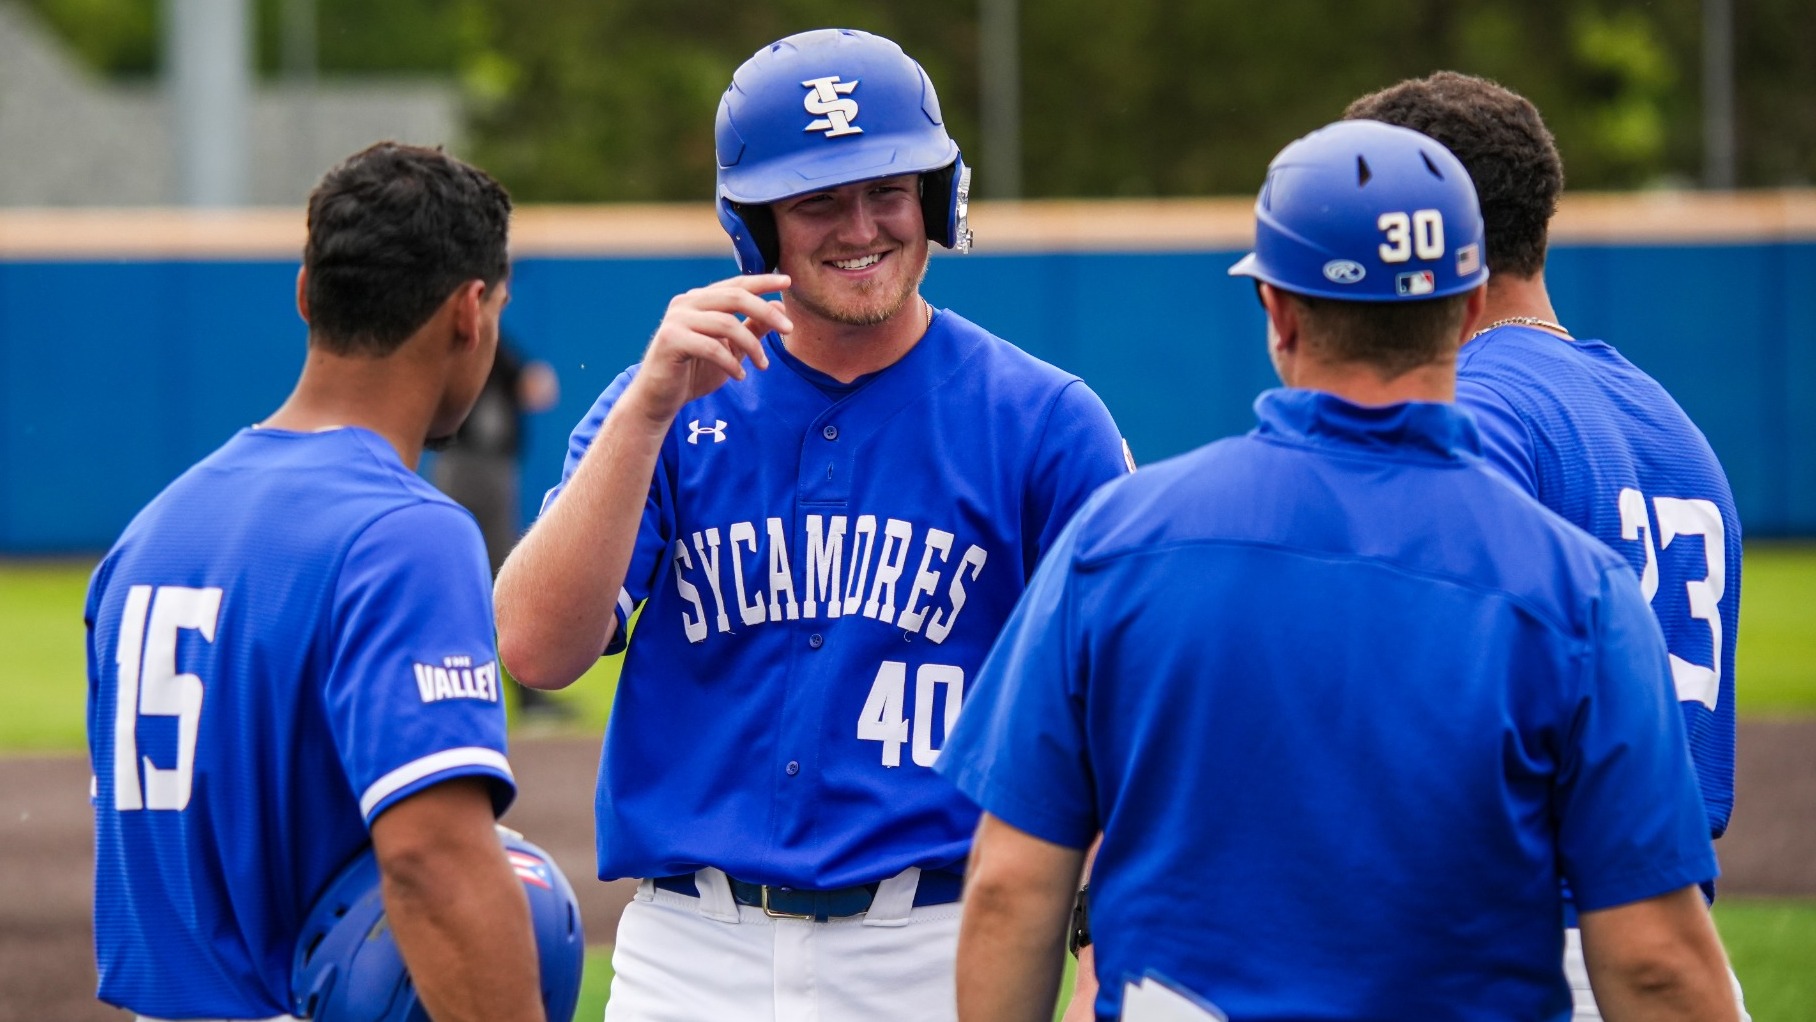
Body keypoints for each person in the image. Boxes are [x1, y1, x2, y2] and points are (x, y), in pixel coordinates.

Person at [938, 120, 1740, 1022]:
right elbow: (1657, 963)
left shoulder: (1116, 543)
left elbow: (1010, 887)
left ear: (1277, 311)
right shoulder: (1580, 591)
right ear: (1471, 309)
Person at [493, 27, 1130, 1022]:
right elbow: (534, 648)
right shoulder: (660, 406)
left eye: (888, 189)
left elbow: (1119, 717)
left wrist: (1100, 953)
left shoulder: (1043, 421)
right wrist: (648, 413)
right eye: (817, 200)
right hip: (688, 949)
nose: (861, 226)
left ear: (936, 197)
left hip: (935, 941)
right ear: (755, 225)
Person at [86, 142, 551, 1022]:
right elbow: (430, 861)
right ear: (468, 314)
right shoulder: (405, 533)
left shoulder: (150, 533)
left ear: (306, 294)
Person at [1343, 72, 1746, 1020]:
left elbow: (1415, 716)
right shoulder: (1667, 422)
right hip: (1671, 942)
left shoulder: (1471, 409)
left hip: (1518, 949)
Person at [433, 338, 565, 719]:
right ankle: (518, 695)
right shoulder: (476, 335)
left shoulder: (477, 341)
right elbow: (537, 390)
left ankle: (510, 694)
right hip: (476, 470)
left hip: (470, 467)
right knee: (496, 576)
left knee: (478, 577)